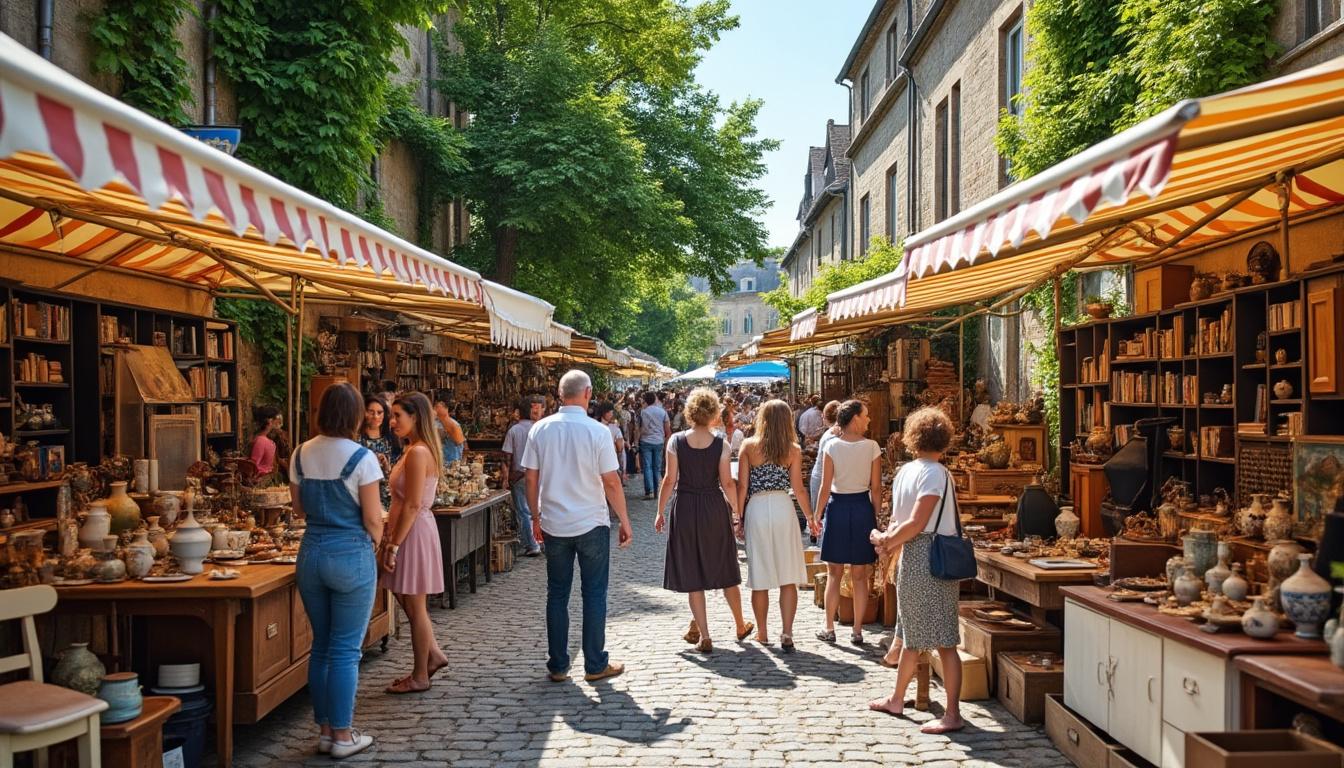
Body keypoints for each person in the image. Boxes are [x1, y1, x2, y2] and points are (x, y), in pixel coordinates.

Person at [289, 383, 383, 758]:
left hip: (311, 553)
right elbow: (373, 518)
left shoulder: (299, 454)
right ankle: (343, 736)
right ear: (356, 415)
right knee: (346, 650)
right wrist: (375, 542)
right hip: (350, 553)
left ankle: (325, 730)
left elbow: (298, 510)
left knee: (322, 646)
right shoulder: (362, 458)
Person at [523, 370, 632, 683]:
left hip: (554, 522)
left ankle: (558, 664)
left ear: (560, 394)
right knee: (594, 594)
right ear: (587, 393)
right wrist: (624, 520)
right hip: (591, 523)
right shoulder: (597, 432)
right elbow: (611, 481)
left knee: (557, 594)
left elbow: (530, 477)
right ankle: (595, 663)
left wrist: (534, 515)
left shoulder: (540, 430)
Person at [868, 407, 964, 734]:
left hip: (912, 554)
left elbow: (900, 520)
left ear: (913, 437)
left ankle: (898, 698)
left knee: (914, 633)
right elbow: (918, 522)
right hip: (930, 555)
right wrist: (890, 540)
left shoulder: (907, 471)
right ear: (944, 439)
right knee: (944, 639)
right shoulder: (936, 473)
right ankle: (951, 713)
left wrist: (886, 540)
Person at [655, 388, 753, 654]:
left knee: (692, 572)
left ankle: (705, 635)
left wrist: (660, 510)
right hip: (712, 507)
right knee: (724, 565)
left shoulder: (675, 441)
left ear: (690, 412)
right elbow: (727, 483)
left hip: (685, 506)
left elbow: (669, 480)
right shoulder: (721, 443)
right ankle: (740, 624)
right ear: (713, 414)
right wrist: (737, 511)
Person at [379, 392, 448, 694]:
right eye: (391, 415)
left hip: (412, 532)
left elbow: (412, 504)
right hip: (405, 530)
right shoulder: (412, 450)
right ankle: (432, 654)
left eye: (397, 416)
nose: (391, 422)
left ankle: (421, 673)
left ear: (416, 417)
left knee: (416, 604)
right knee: (403, 594)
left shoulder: (418, 453)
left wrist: (394, 543)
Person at [735, 399, 813, 651]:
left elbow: (743, 487)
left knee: (760, 574)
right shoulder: (793, 449)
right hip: (783, 506)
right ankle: (787, 632)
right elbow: (799, 489)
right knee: (787, 575)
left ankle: (763, 632)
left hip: (756, 508)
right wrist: (811, 517)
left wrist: (738, 516)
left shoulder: (749, 446)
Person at [814, 399, 882, 645]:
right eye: (865, 415)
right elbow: (876, 488)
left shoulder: (831, 447)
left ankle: (829, 627)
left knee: (834, 573)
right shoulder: (872, 447)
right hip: (862, 508)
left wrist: (817, 515)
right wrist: (875, 517)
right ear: (854, 419)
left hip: (838, 508)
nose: (868, 419)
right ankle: (856, 630)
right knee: (860, 575)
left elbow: (824, 486)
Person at [503, 397, 544, 557]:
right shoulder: (540, 428)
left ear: (520, 412)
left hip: (519, 475)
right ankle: (542, 541)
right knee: (538, 509)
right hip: (538, 474)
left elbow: (507, 455)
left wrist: (506, 477)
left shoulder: (514, 430)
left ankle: (532, 544)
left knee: (523, 511)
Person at [358, 396, 400, 509]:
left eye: (379, 412)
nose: (375, 416)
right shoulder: (357, 439)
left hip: (388, 494)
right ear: (364, 412)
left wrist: (387, 465)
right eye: (371, 412)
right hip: (364, 493)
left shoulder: (391, 438)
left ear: (385, 414)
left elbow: (398, 468)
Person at [808, 400, 843, 512]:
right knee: (822, 513)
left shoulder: (832, 433)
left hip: (822, 477)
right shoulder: (833, 435)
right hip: (823, 478)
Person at [638, 391, 671, 500]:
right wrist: (666, 441)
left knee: (647, 466)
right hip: (658, 441)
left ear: (645, 400)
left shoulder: (643, 412)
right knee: (657, 467)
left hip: (646, 441)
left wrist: (638, 438)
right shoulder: (662, 412)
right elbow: (667, 430)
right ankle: (657, 491)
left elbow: (641, 428)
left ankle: (650, 491)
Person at [249, 406, 282, 481]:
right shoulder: (260, 441)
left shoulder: (269, 441)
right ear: (269, 421)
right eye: (275, 419)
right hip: (260, 481)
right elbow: (253, 465)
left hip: (269, 479)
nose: (277, 422)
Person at [432, 396, 466, 467]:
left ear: (446, 409)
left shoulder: (454, 424)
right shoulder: (434, 422)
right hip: (437, 461)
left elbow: (460, 442)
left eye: (438, 406)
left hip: (451, 462)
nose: (435, 409)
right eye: (434, 407)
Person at [596, 402, 626, 475]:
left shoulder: (594, 426)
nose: (612, 415)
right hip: (611, 462)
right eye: (611, 412)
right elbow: (621, 449)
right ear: (606, 413)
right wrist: (623, 469)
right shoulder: (614, 428)